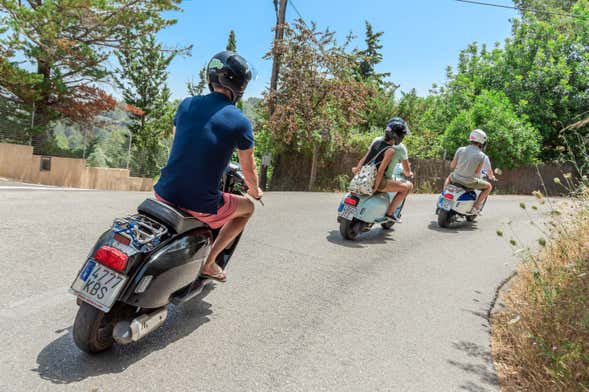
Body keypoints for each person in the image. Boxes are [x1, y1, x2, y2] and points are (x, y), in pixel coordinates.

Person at [154, 51, 263, 282]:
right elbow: (249, 168)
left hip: (162, 192)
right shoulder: (240, 121)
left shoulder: (186, 105)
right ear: (240, 86)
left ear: (211, 77)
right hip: (199, 204)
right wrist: (254, 191)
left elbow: (180, 143)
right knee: (248, 209)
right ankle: (210, 262)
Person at [352, 117, 414, 223]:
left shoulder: (376, 141)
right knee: (407, 187)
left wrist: (357, 169)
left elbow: (365, 158)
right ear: (398, 136)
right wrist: (375, 187)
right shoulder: (392, 150)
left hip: (363, 176)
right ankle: (390, 213)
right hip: (378, 180)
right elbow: (381, 171)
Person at [447, 129, 492, 215]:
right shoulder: (482, 156)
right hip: (469, 182)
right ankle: (475, 207)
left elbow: (452, 166)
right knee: (489, 186)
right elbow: (477, 172)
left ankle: (444, 193)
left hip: (455, 178)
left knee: (449, 176)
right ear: (482, 141)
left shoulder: (460, 149)